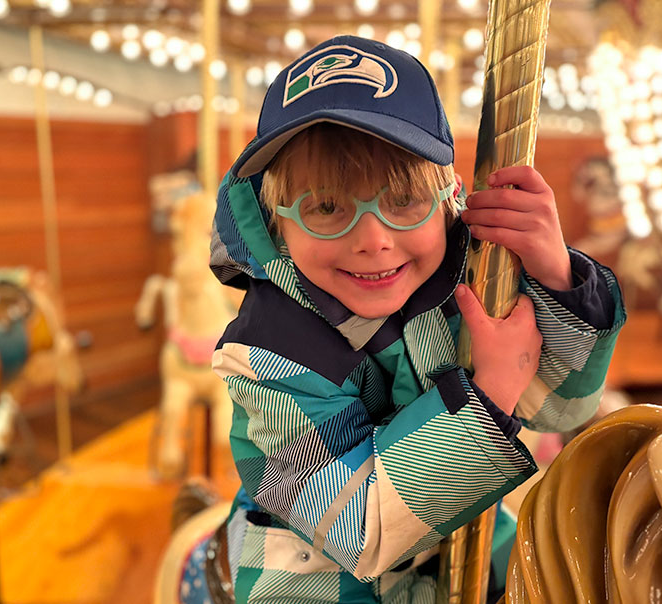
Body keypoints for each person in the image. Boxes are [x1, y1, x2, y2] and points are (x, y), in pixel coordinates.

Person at [208, 35, 625, 603]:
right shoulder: (268, 354)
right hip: (316, 577)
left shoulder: (468, 281)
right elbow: (358, 529)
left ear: (448, 196)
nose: (374, 240)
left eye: (403, 200)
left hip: (463, 541)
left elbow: (560, 408)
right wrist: (489, 394)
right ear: (275, 220)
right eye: (326, 207)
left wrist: (558, 279)